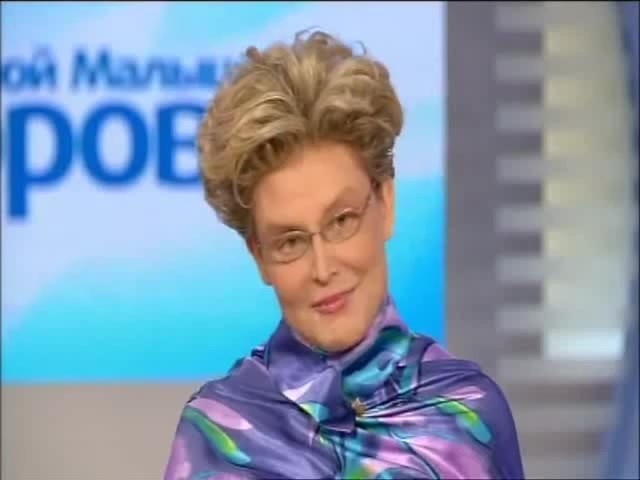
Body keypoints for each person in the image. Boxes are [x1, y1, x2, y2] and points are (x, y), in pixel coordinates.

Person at [163, 30, 525, 480]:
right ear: (258, 255)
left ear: (386, 203)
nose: (323, 268)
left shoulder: (468, 415)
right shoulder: (218, 432)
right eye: (290, 241)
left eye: (341, 221)